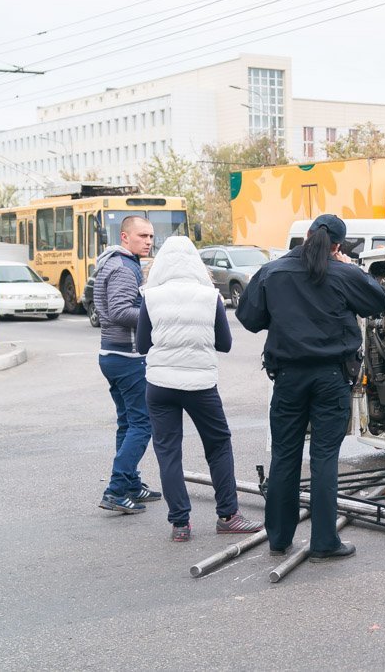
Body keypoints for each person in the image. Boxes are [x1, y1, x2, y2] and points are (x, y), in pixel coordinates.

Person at [237, 214, 385, 562]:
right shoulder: (343, 273)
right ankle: (324, 542)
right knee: (323, 458)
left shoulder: (272, 272)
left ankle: (278, 538)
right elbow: (379, 302)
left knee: (285, 456)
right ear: (338, 246)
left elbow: (249, 318)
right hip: (331, 378)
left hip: (288, 378)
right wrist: (352, 268)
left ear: (305, 236)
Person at [136, 236, 263, 541]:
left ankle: (180, 524)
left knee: (168, 452)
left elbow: (142, 345)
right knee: (218, 445)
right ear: (196, 262)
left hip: (160, 385)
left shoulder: (150, 297)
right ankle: (228, 515)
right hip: (201, 385)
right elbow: (225, 343)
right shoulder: (210, 297)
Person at [95, 215, 161, 514]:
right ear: (125, 237)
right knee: (142, 423)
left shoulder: (116, 262)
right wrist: (154, 315)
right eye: (142, 236)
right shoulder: (124, 267)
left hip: (113, 354)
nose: (148, 241)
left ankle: (132, 484)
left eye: (150, 237)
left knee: (128, 422)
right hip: (126, 357)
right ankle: (116, 489)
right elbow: (121, 311)